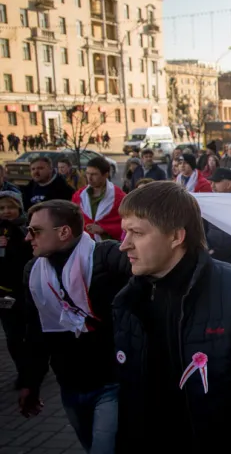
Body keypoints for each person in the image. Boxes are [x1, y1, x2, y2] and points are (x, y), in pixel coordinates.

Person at [114, 181, 231, 452]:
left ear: (176, 237)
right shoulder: (129, 300)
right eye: (124, 233)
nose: (125, 245)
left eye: (136, 233)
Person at [18, 200, 132, 453]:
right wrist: (31, 382)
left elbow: (148, 286)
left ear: (64, 232)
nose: (28, 237)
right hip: (69, 384)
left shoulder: (106, 257)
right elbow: (35, 332)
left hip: (112, 382)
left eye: (35, 230)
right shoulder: (33, 271)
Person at [0, 190, 32, 388]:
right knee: (12, 336)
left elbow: (30, 256)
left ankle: (34, 367)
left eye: (11, 207)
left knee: (28, 333)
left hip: (25, 290)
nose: (6, 211)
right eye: (2, 208)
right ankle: (22, 371)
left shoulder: (26, 228)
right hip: (3, 291)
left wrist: (13, 245)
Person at [71, 157, 126, 243]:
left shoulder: (119, 197)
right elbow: (72, 220)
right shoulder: (79, 196)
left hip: (110, 246)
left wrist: (104, 229)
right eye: (88, 173)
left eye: (94, 174)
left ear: (106, 175)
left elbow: (126, 223)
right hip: (84, 244)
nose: (89, 178)